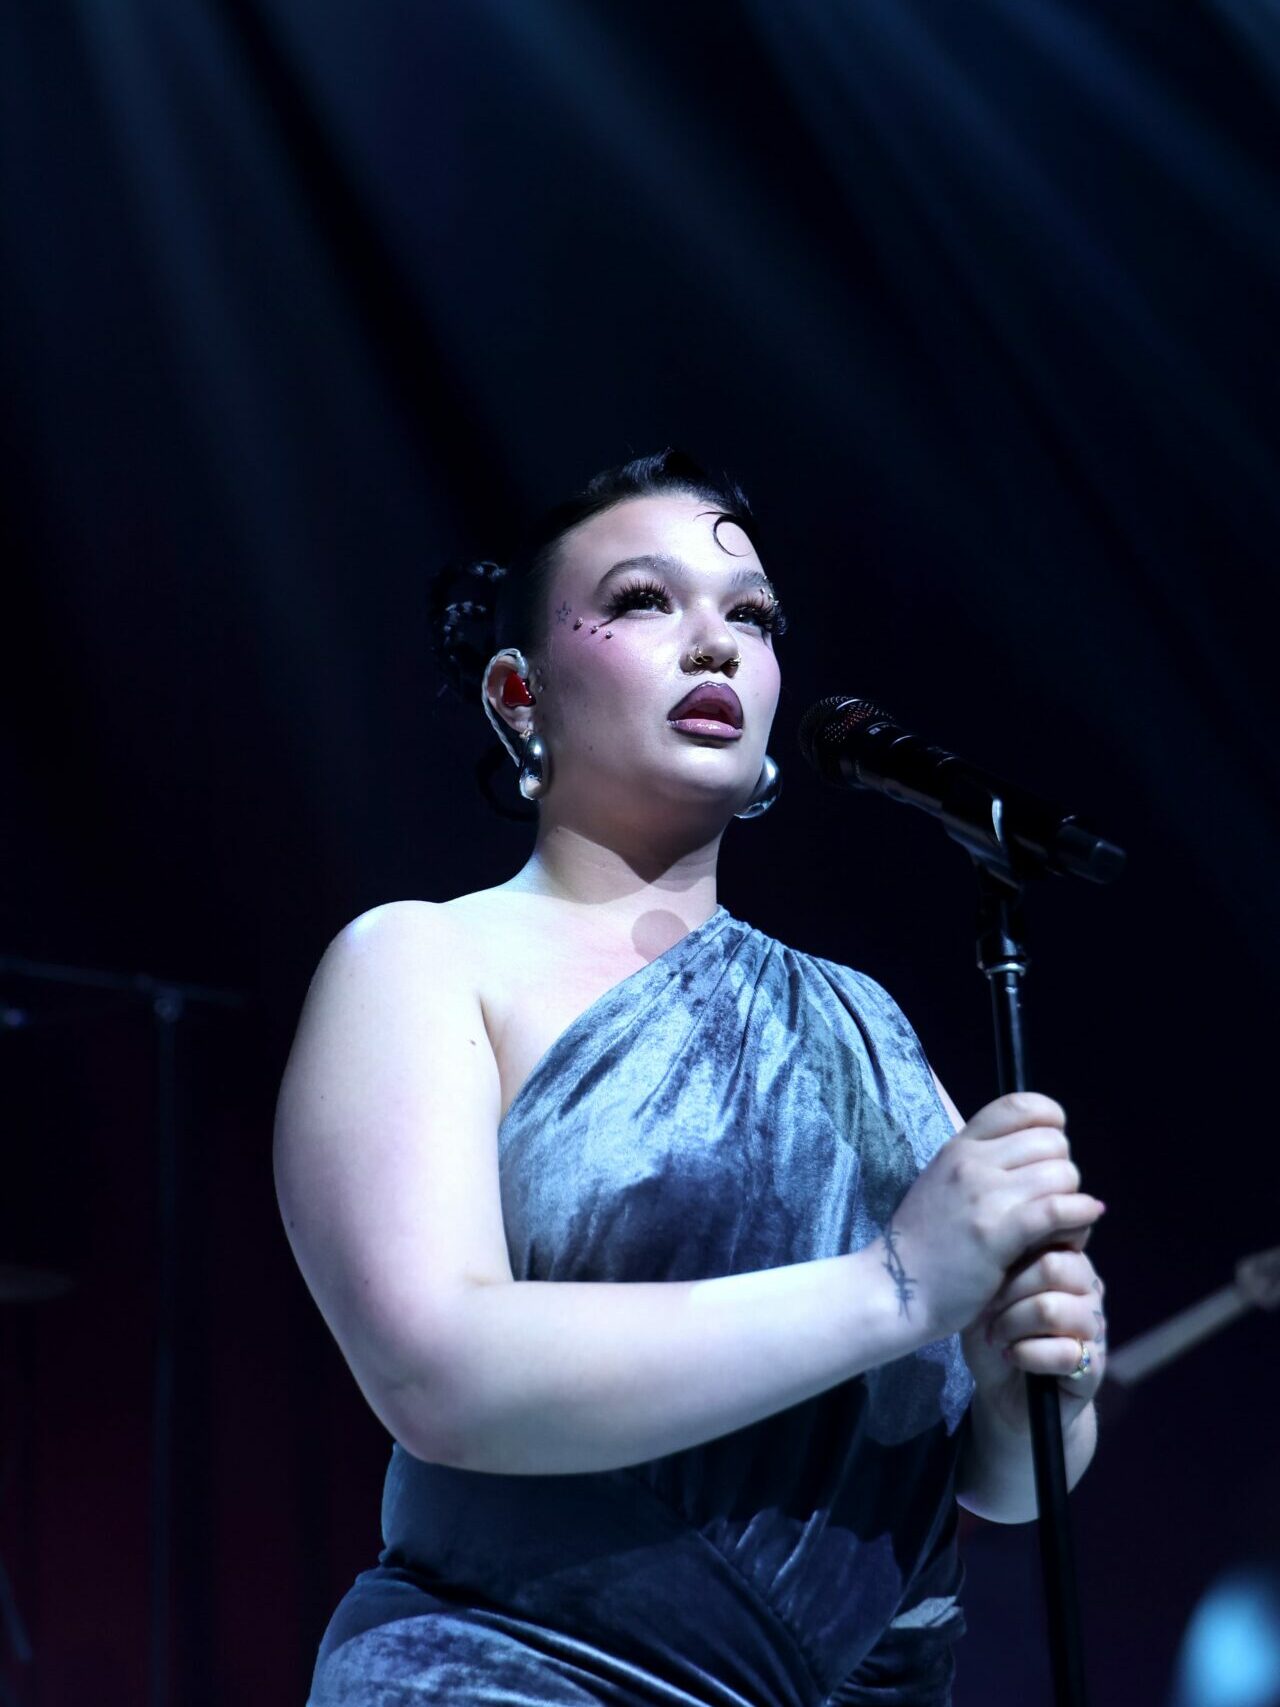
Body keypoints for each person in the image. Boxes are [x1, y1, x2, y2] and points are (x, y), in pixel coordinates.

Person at [274, 448, 1109, 1706]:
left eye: (753, 619)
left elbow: (994, 1481)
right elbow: (436, 1373)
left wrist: (1035, 1384)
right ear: (519, 692)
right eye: (642, 602)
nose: (715, 646)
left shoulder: (859, 1023)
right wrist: (895, 1284)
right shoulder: (421, 959)